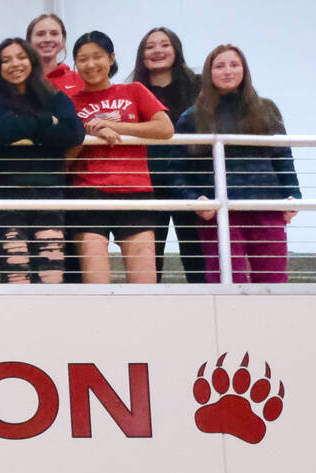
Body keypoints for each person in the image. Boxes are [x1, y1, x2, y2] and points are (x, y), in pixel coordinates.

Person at [179, 45, 300, 285]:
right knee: (226, 278)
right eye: (220, 66)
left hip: (267, 206)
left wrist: (293, 194)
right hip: (219, 209)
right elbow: (178, 170)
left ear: (244, 70)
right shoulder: (191, 117)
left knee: (273, 279)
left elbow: (282, 155)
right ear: (209, 72)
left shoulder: (266, 108)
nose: (228, 71)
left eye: (234, 65)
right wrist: (194, 198)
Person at [66, 30, 173, 285]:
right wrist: (86, 134)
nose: (90, 64)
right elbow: (63, 160)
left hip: (135, 190)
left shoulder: (134, 90)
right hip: (88, 192)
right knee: (96, 280)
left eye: (97, 56)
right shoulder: (69, 101)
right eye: (82, 59)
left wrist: (114, 127)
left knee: (144, 281)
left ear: (111, 58)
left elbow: (165, 128)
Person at [0, 37, 82, 284]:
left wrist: (20, 124)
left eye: (21, 57)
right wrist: (46, 121)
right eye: (6, 60)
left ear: (32, 62)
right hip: (4, 200)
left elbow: (74, 133)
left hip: (49, 195)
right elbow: (0, 131)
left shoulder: (56, 98)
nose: (15, 64)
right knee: (17, 277)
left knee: (52, 277)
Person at [129, 27, 206, 282]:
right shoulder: (132, 91)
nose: (157, 51)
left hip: (191, 182)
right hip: (148, 182)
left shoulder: (199, 87)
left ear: (176, 49)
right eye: (150, 47)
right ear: (142, 55)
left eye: (164, 45)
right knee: (151, 255)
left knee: (196, 252)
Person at [26, 13, 80, 95]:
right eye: (40, 34)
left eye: (54, 34)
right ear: (29, 42)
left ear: (63, 40)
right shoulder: (20, 80)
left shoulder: (79, 80)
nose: (47, 39)